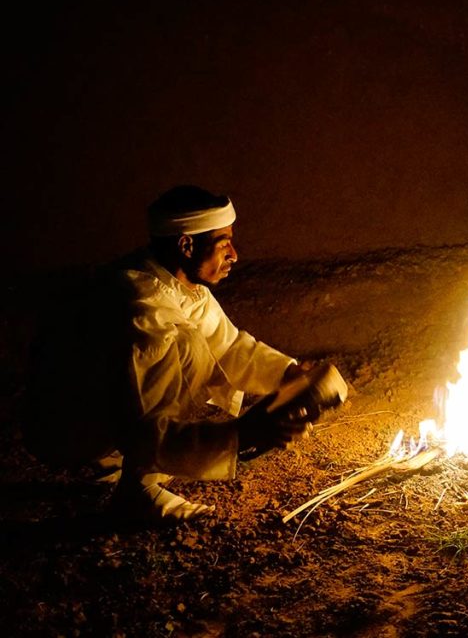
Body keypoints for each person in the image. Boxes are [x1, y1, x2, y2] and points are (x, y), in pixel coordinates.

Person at [23, 185, 348, 523]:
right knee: (189, 349)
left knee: (198, 347)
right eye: (224, 245)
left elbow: (229, 346)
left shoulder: (169, 281)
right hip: (67, 428)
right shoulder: (143, 310)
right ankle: (139, 492)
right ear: (186, 245)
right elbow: (146, 432)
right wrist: (244, 435)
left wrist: (289, 376)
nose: (234, 255)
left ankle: (112, 467)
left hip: (99, 413)